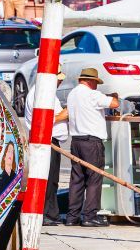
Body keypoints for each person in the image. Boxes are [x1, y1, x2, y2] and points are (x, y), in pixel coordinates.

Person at [66, 67, 121, 227]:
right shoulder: (92, 94)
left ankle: (72, 216)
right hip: (91, 142)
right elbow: (114, 103)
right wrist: (114, 96)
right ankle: (90, 216)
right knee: (94, 178)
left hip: (76, 140)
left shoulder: (72, 94)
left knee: (77, 179)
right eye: (96, 82)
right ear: (91, 81)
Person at [25, 66, 70, 225]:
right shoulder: (39, 94)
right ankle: (44, 213)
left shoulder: (48, 94)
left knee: (53, 180)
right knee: (47, 179)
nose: (60, 81)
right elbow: (45, 119)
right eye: (58, 79)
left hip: (52, 141)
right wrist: (65, 114)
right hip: (46, 141)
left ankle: (52, 213)